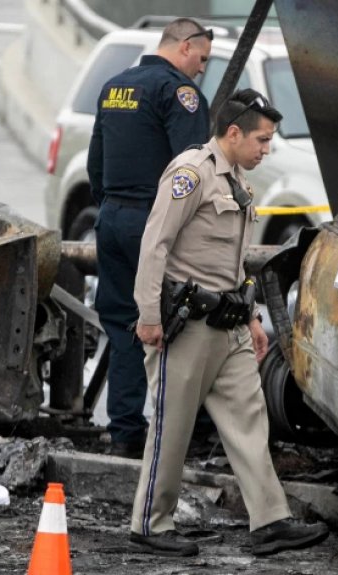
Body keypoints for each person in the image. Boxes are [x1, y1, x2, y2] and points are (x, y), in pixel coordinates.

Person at [128, 89, 329, 557]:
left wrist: (254, 318)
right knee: (171, 425)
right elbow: (154, 244)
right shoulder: (191, 174)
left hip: (231, 323)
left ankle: (270, 521)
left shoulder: (238, 180)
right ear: (233, 132)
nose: (266, 149)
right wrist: (148, 316)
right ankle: (149, 525)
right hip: (188, 325)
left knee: (248, 420)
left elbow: (232, 259)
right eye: (261, 139)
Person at [87, 18, 213, 459]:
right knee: (178, 325)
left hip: (112, 220)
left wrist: (111, 208)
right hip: (155, 223)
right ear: (183, 46)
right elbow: (193, 169)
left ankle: (124, 432)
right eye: (200, 58)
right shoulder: (178, 93)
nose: (200, 69)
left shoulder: (114, 86)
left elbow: (95, 163)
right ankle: (184, 435)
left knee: (124, 324)